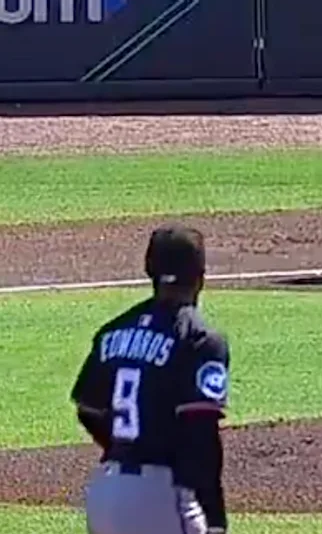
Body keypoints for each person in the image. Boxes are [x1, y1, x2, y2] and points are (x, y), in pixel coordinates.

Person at [69, 224, 231, 534]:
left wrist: (129, 447)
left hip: (107, 493)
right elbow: (201, 435)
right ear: (201, 275)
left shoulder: (112, 331)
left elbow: (88, 409)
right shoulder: (200, 339)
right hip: (163, 495)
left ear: (149, 270)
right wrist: (214, 518)